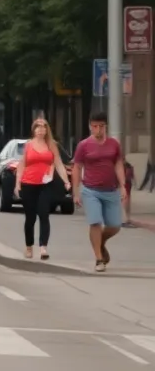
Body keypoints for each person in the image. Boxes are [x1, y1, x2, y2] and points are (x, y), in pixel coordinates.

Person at [72, 112, 126, 272]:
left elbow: (118, 163)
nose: (98, 130)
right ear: (90, 126)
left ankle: (100, 242)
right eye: (94, 126)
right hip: (90, 190)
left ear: (105, 126)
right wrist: (76, 192)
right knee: (95, 222)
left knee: (115, 225)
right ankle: (99, 258)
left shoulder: (114, 144)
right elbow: (77, 167)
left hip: (111, 190)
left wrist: (123, 185)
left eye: (101, 126)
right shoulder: (83, 145)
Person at [12, 117, 72, 260]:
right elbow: (22, 165)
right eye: (38, 127)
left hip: (46, 184)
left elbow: (58, 164)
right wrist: (17, 183)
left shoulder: (51, 145)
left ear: (47, 130)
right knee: (30, 217)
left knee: (44, 214)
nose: (41, 129)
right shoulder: (28, 145)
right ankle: (29, 246)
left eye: (43, 127)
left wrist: (66, 181)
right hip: (28, 183)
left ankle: (43, 248)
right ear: (34, 130)